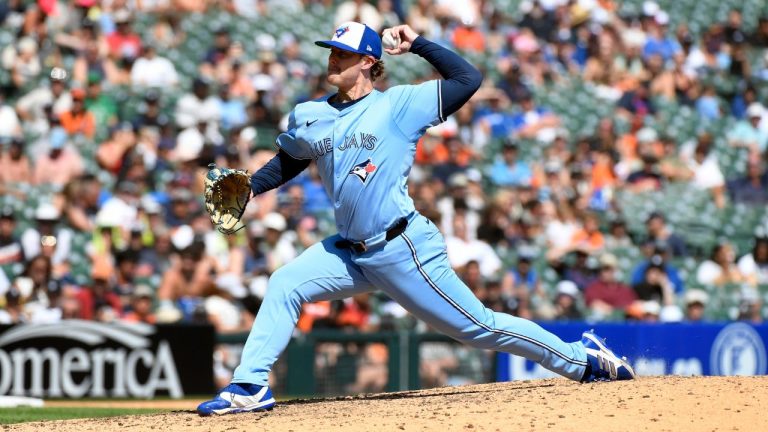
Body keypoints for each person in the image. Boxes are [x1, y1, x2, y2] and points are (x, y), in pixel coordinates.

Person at [197, 22, 635, 416]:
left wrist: (420, 44)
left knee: (478, 327)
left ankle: (583, 359)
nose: (332, 58)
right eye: (331, 50)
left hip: (401, 247)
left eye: (343, 53)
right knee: (284, 283)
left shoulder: (401, 105)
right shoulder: (311, 115)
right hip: (349, 252)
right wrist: (253, 185)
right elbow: (292, 160)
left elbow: (469, 79)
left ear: (369, 62)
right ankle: (250, 386)